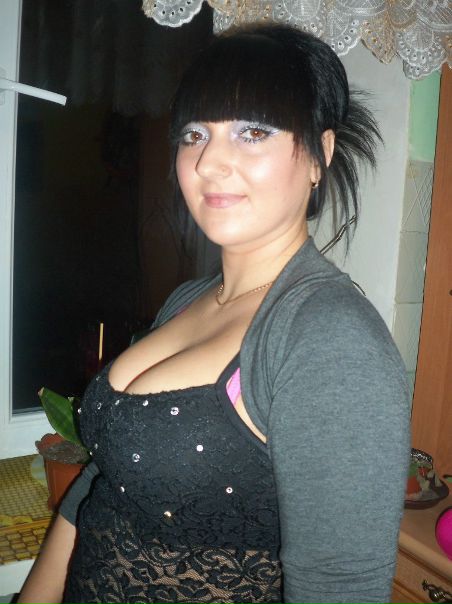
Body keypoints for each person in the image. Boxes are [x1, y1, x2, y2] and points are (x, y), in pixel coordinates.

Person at [18, 24, 410, 604]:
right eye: (195, 134)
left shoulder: (328, 337)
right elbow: (105, 481)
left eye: (253, 132)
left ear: (319, 155)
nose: (209, 162)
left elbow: (340, 586)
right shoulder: (189, 298)